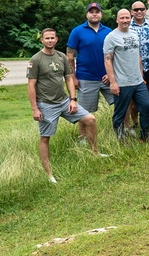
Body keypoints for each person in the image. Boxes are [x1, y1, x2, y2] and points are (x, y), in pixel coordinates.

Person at [28, 28, 107, 182]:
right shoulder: (36, 59)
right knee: (45, 137)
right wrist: (35, 109)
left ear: (57, 40)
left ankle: (95, 153)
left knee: (90, 119)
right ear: (42, 40)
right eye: (47, 38)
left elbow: (69, 78)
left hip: (64, 101)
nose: (50, 40)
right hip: (46, 104)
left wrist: (72, 99)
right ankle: (49, 174)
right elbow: (31, 85)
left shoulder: (61, 57)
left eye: (52, 38)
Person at [103, 9, 149, 143]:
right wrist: (112, 82)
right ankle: (120, 139)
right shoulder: (111, 37)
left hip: (138, 81)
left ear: (130, 18)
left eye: (127, 18)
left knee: (146, 106)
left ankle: (145, 135)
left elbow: (138, 56)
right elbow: (107, 59)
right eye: (122, 18)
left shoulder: (134, 34)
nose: (125, 20)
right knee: (120, 112)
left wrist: (141, 75)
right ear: (117, 20)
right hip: (122, 82)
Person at [66, 2, 112, 140]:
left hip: (107, 78)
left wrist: (111, 74)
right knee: (84, 111)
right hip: (86, 78)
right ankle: (83, 138)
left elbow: (113, 55)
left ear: (101, 14)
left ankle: (123, 131)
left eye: (97, 11)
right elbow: (69, 55)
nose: (94, 14)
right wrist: (73, 77)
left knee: (123, 102)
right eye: (91, 12)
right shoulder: (77, 31)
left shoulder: (108, 31)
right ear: (87, 14)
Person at [128, 1, 149, 135]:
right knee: (134, 98)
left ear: (145, 10)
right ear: (132, 12)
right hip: (133, 67)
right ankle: (135, 121)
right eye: (136, 10)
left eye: (141, 9)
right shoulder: (127, 27)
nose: (139, 12)